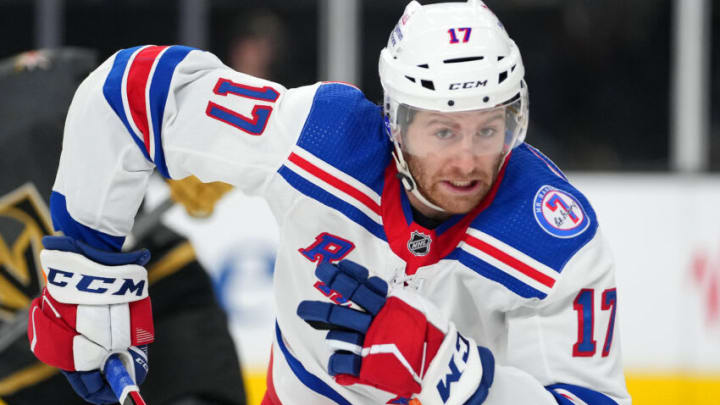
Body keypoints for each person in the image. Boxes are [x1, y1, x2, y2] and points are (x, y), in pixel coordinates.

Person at [28, 1, 631, 404]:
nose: (469, 160)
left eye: (488, 128)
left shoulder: (554, 240)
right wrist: (88, 264)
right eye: (443, 132)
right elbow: (132, 92)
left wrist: (451, 370)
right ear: (395, 123)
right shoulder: (319, 139)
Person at [0, 49, 246, 405]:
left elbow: (146, 91)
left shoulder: (35, 86)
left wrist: (201, 144)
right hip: (33, 370)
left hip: (151, 298)